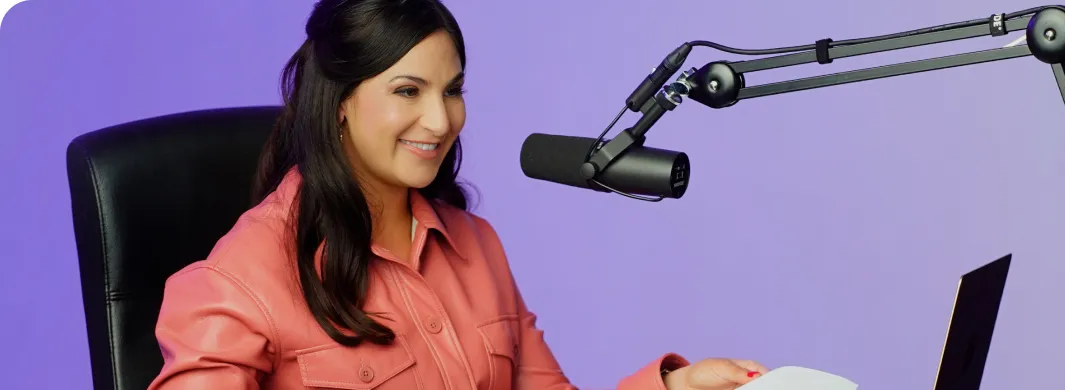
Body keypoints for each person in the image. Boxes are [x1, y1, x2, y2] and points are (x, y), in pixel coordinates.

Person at [148, 1, 767, 389]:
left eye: (452, 90)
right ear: (340, 103)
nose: (441, 122)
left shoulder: (476, 247)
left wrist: (675, 388)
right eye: (408, 91)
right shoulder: (240, 280)